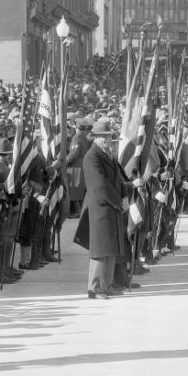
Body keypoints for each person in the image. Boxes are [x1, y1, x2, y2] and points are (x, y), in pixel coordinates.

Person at [78, 118, 127, 299]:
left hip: (111, 206)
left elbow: (115, 181)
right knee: (100, 249)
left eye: (109, 136)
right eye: (103, 136)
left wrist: (123, 195)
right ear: (95, 137)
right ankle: (95, 287)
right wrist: (118, 201)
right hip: (100, 207)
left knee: (110, 247)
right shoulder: (92, 156)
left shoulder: (106, 154)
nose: (107, 139)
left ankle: (107, 284)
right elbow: (100, 185)